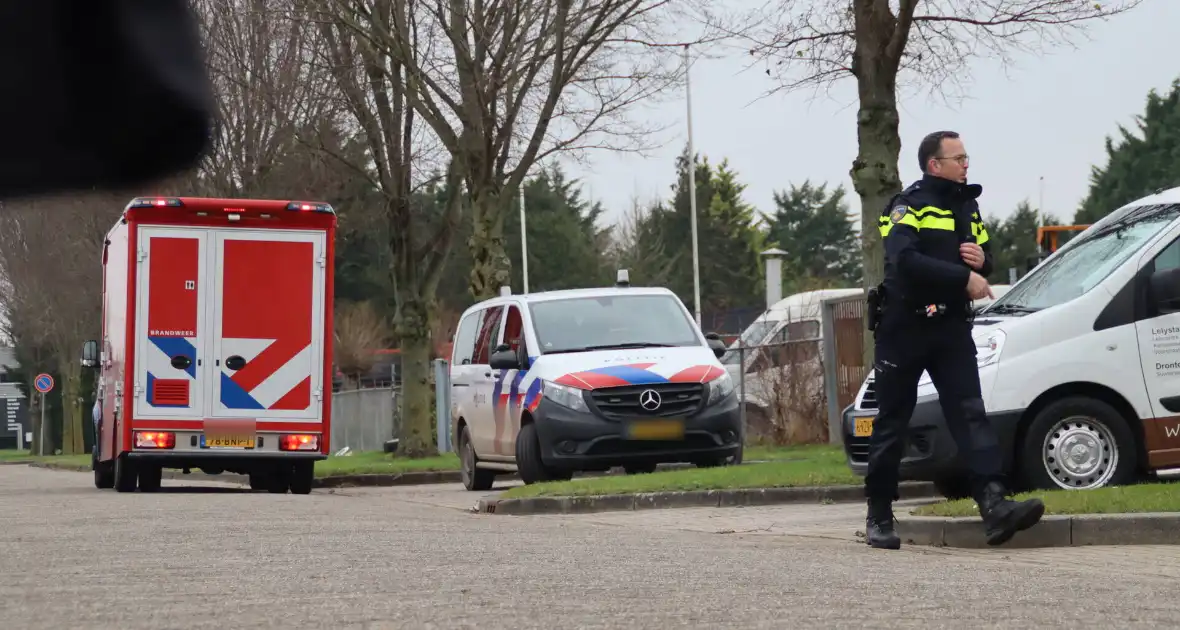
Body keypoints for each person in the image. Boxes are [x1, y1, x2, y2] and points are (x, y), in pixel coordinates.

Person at [864, 130, 1045, 550]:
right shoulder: (906, 206)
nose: (967, 164)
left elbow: (984, 252)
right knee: (892, 420)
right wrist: (964, 277)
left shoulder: (967, 205)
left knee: (970, 414)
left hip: (950, 328)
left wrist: (983, 260)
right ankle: (879, 515)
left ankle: (995, 506)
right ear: (934, 165)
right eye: (958, 157)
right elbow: (903, 260)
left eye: (967, 157)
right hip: (903, 327)